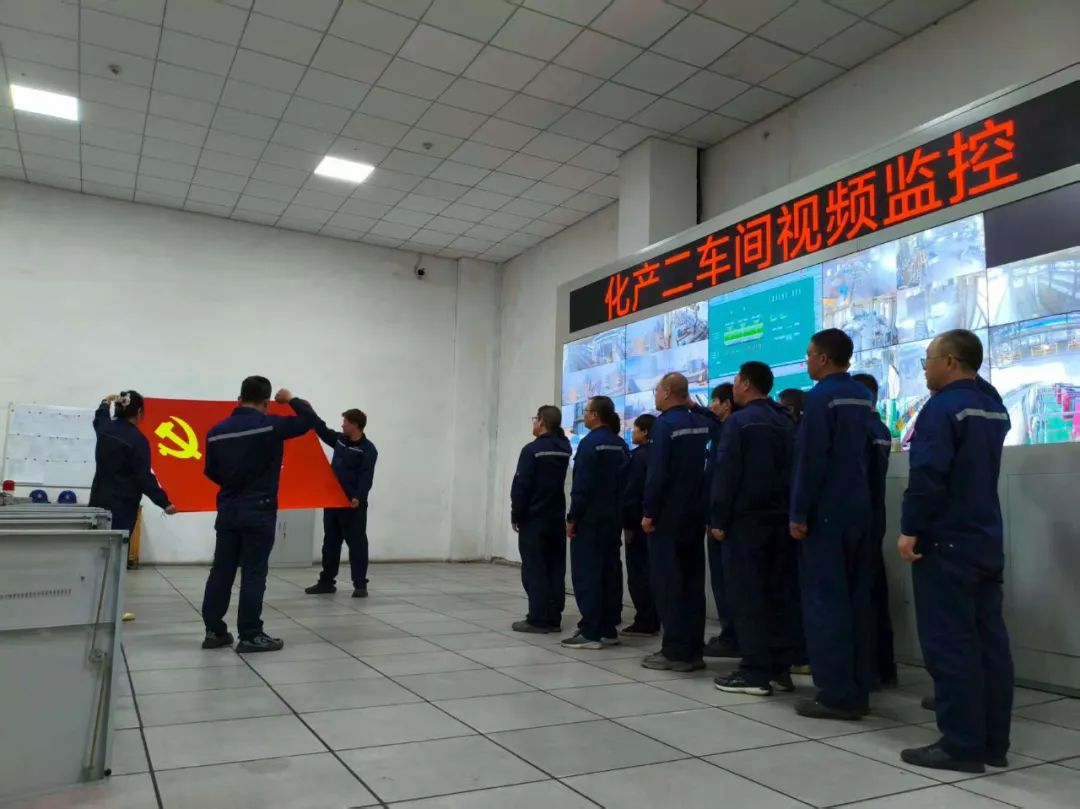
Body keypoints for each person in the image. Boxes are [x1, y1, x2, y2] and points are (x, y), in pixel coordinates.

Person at [898, 330, 1013, 774]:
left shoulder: (941, 409)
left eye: (928, 359)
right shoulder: (993, 405)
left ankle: (961, 745)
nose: (925, 368)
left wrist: (911, 528)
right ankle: (993, 742)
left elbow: (928, 475)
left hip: (945, 540)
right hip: (984, 537)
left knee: (950, 644)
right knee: (989, 644)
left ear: (949, 361)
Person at [790, 328, 876, 720]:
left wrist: (798, 513)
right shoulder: (861, 395)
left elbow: (811, 459)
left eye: (809, 355)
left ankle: (836, 694)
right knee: (858, 602)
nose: (807, 361)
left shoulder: (820, 397)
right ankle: (859, 687)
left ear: (824, 358)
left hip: (825, 514)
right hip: (858, 509)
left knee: (826, 603)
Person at [200, 377, 315, 653]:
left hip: (228, 508)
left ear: (239, 399)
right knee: (253, 572)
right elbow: (308, 421)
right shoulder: (270, 425)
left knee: (221, 570)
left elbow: (211, 471)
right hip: (259, 509)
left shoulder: (216, 432)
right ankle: (250, 634)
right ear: (266, 402)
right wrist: (291, 400)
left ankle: (214, 631)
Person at [710, 362, 800, 696]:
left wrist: (718, 519)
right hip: (781, 521)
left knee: (747, 597)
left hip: (746, 523)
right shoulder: (784, 420)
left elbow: (727, 473)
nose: (733, 388)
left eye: (735, 381)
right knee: (778, 596)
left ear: (746, 384)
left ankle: (754, 672)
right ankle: (779, 670)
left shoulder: (739, 422)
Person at [641, 372, 714, 672]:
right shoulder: (701, 422)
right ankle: (694, 650)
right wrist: (695, 406)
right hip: (695, 514)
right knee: (692, 584)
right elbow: (720, 424)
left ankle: (674, 652)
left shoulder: (665, 425)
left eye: (657, 390)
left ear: (668, 392)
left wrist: (649, 512)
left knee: (669, 584)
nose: (655, 395)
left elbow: (658, 474)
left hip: (668, 517)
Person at [564, 396, 628, 650]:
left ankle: (591, 632)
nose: (584, 417)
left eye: (587, 412)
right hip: (613, 519)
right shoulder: (620, 445)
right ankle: (608, 628)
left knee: (587, 574)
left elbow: (582, 486)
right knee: (609, 572)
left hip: (590, 521)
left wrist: (573, 518)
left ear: (595, 415)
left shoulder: (590, 444)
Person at [302, 406, 378, 598]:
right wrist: (304, 407)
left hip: (352, 505)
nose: (342, 425)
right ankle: (326, 582)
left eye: (345, 422)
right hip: (333, 501)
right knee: (330, 543)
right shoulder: (340, 441)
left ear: (355, 425)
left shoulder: (367, 449)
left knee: (357, 544)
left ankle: (360, 585)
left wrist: (358, 497)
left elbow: (366, 476)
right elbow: (320, 428)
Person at [852, 372, 898, 688]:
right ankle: (884, 666)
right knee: (874, 592)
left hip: (857, 519)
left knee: (860, 596)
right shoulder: (880, 428)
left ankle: (865, 669)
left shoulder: (859, 430)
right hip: (875, 516)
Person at [510, 405, 572, 633]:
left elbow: (522, 485)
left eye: (535, 419)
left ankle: (538, 618)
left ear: (542, 421)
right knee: (555, 568)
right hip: (556, 518)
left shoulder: (532, 450)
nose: (533, 423)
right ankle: (553, 617)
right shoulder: (564, 449)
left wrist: (516, 514)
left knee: (534, 569)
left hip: (533, 519)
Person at [90, 390, 177, 541]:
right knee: (117, 549)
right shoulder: (137, 440)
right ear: (138, 412)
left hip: (97, 502)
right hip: (121, 508)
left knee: (94, 546)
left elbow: (100, 416)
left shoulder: (104, 429)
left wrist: (105, 402)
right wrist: (164, 503)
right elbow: (143, 477)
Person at [704, 382, 739, 658]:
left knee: (727, 582)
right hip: (722, 518)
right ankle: (731, 634)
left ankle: (733, 637)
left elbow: (724, 479)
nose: (711, 405)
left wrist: (717, 519)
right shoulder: (723, 430)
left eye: (715, 400)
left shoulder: (731, 432)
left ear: (727, 404)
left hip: (724, 522)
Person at [622, 413, 660, 637]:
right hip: (655, 521)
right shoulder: (659, 453)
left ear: (645, 432)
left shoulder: (638, 457)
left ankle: (645, 620)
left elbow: (632, 492)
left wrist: (627, 523)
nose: (632, 432)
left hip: (637, 522)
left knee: (639, 573)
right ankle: (654, 617)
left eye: (635, 429)